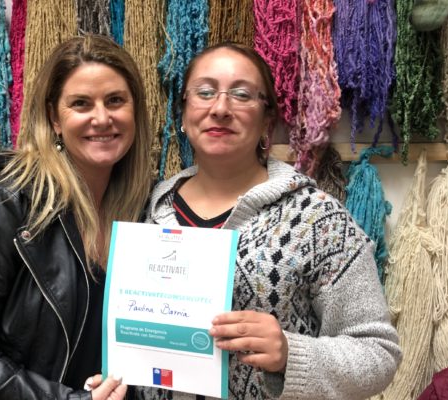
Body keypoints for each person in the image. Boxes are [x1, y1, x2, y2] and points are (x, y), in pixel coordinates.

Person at [136, 43, 401, 400]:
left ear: (266, 122)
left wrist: (291, 354)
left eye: (242, 95)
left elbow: (378, 353)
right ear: (183, 114)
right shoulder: (147, 212)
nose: (220, 108)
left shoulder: (316, 218)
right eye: (205, 92)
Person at [0, 34, 152, 400]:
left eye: (115, 100)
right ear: (54, 118)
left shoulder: (144, 212)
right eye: (81, 104)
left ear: (135, 110)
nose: (102, 118)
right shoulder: (6, 204)